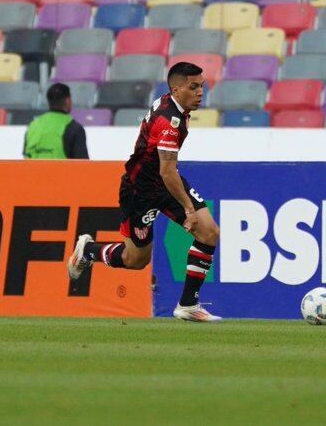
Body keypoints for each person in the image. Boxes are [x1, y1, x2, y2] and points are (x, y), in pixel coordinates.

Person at [66, 62, 221, 322]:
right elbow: (167, 171)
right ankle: (88, 251)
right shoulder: (168, 123)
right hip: (140, 191)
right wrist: (188, 209)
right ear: (176, 88)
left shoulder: (173, 105)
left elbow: (167, 172)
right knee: (135, 260)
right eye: (193, 87)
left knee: (209, 232)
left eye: (201, 87)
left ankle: (187, 304)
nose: (199, 93)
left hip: (162, 183)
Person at [23, 83, 89, 159]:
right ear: (67, 101)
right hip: (61, 171)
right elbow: (83, 165)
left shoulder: (33, 125)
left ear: (48, 102)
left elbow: (26, 158)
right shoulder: (74, 128)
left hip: (34, 171)